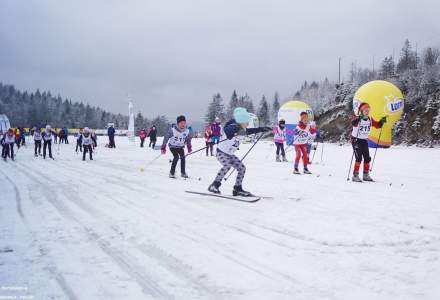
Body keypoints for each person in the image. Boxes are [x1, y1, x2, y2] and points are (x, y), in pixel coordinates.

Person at [207, 107, 271, 196]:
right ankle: (214, 185)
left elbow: (250, 131)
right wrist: (234, 130)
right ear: (241, 121)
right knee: (227, 165)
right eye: (246, 122)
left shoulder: (243, 129)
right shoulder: (232, 126)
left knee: (242, 168)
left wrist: (261, 129)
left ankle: (237, 189)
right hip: (221, 152)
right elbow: (228, 130)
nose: (248, 124)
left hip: (230, 154)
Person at [351, 102, 386, 182]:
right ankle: (355, 176)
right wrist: (358, 119)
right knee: (359, 158)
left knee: (367, 158)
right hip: (356, 140)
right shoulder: (357, 118)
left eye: (368, 110)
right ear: (361, 111)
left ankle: (365, 175)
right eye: (365, 110)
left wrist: (381, 122)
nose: (367, 112)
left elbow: (377, 125)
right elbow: (353, 122)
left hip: (364, 140)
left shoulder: (370, 119)